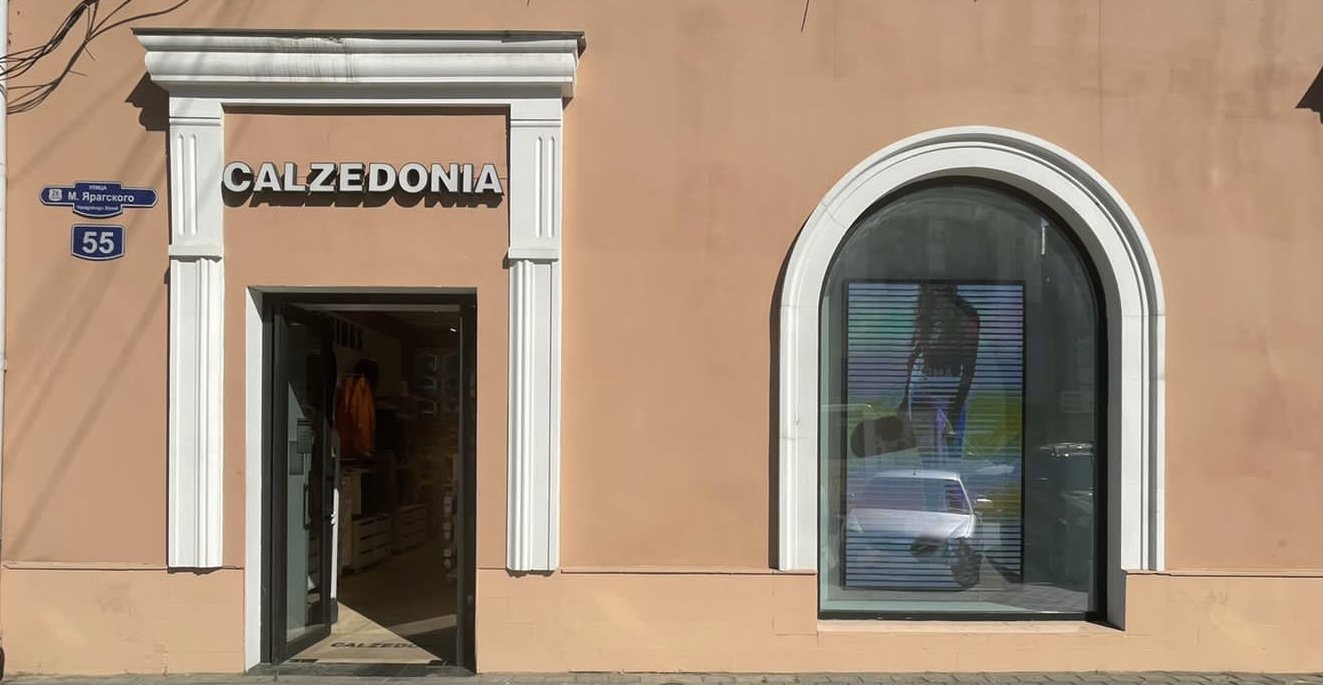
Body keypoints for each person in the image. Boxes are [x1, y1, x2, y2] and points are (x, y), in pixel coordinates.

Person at [895, 283, 980, 468]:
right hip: (924, 388)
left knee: (952, 458)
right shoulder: (926, 311)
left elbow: (969, 367)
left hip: (950, 388)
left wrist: (955, 407)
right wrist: (905, 398)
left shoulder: (966, 315)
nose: (938, 297)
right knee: (929, 460)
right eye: (932, 291)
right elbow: (914, 355)